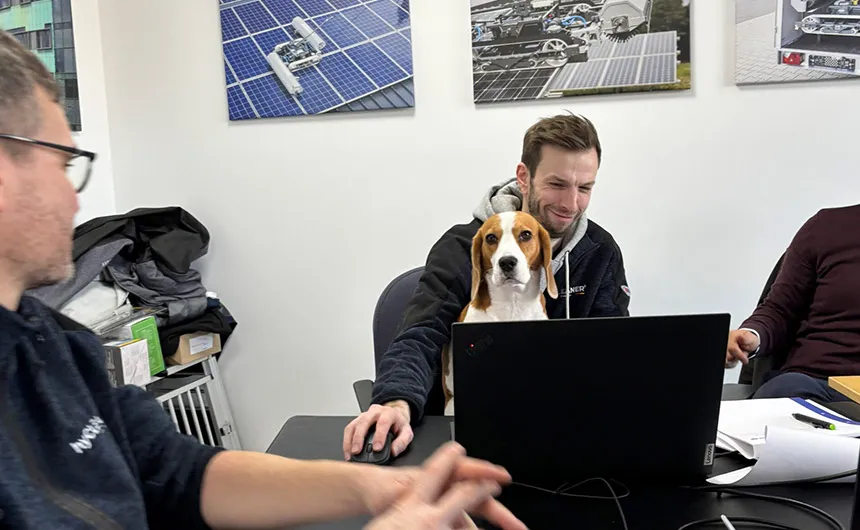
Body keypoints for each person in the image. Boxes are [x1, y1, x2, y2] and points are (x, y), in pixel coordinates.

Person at [0, 30, 527, 530]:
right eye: (64, 163)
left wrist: (378, 489)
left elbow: (174, 469)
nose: (76, 199)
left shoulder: (53, 340)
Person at [345, 113, 630, 461]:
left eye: (584, 188)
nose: (571, 204)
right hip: (468, 436)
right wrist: (396, 401)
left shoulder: (600, 252)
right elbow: (421, 332)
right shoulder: (461, 245)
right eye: (557, 184)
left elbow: (613, 347)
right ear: (523, 177)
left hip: (560, 437)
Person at [725, 204, 860, 402]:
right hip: (816, 385)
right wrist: (750, 336)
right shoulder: (827, 227)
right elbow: (780, 310)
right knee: (785, 389)